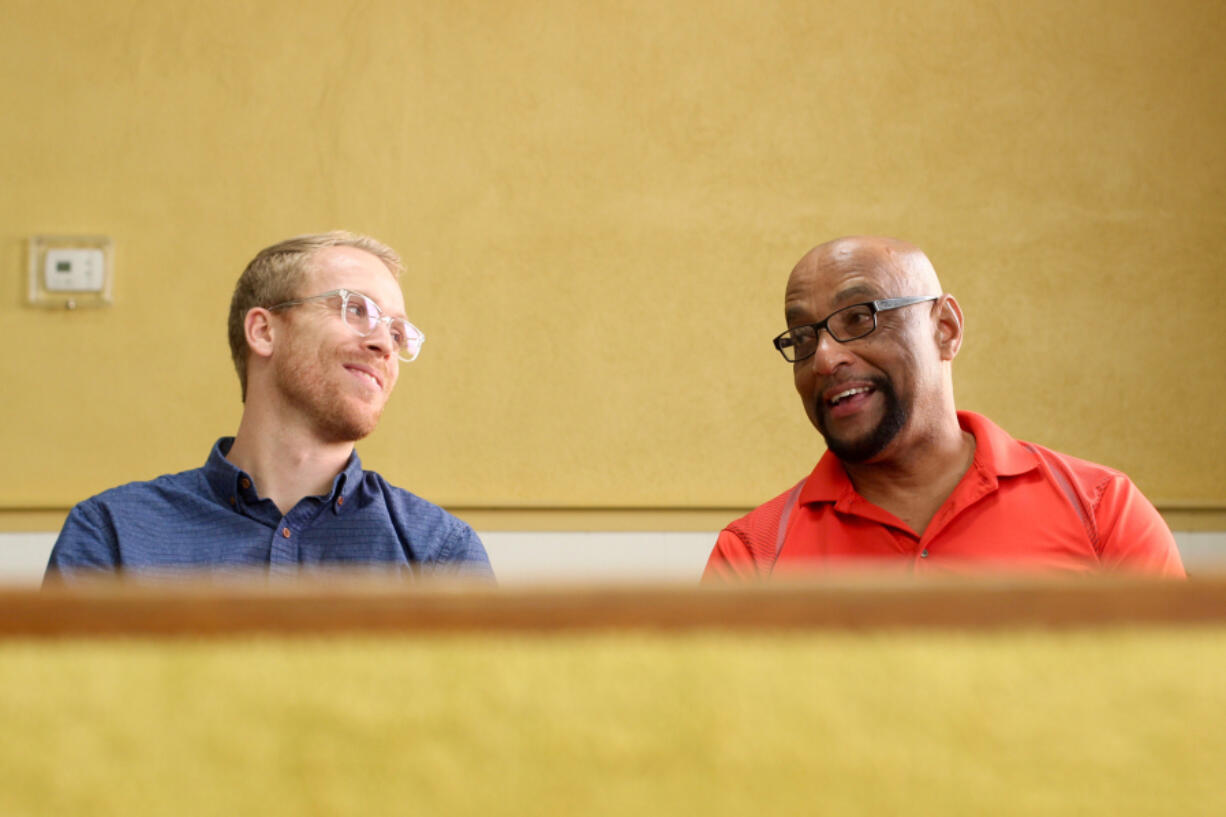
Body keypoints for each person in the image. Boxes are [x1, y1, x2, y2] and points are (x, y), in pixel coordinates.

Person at [704, 236, 1184, 579]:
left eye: (859, 318)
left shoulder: (1102, 513)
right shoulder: (753, 557)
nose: (825, 358)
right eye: (805, 337)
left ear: (945, 329)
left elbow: (1179, 708)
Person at [46, 231, 492, 580]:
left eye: (397, 333)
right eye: (356, 310)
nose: (383, 344)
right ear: (262, 332)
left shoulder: (440, 554)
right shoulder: (113, 535)